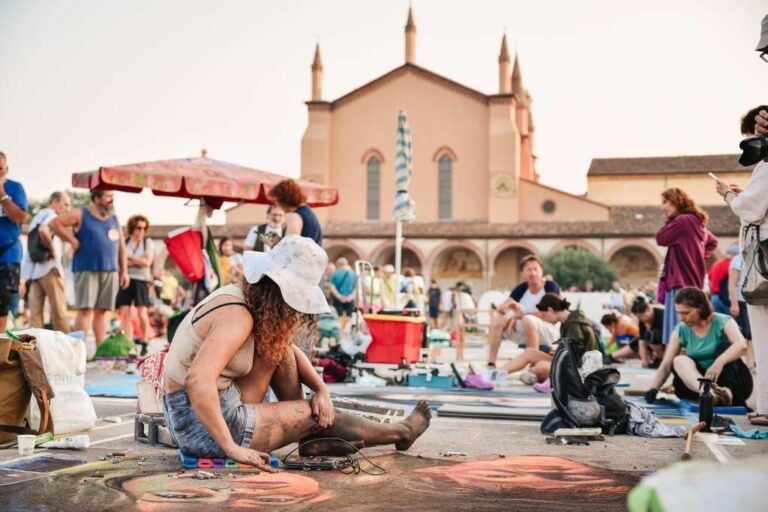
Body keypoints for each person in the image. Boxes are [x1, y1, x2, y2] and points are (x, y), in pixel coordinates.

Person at [161, 235, 431, 468]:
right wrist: (232, 448)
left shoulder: (244, 298)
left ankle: (312, 436)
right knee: (312, 414)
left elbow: (286, 351)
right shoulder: (237, 317)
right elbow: (198, 380)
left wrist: (321, 389)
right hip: (199, 427)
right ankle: (401, 431)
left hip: (205, 410)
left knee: (280, 350)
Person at [716, 104, 768, 425]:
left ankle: (764, 406)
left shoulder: (765, 164)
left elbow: (751, 210)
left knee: (762, 338)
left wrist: (728, 195)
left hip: (762, 263)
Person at [645, 287, 752, 407]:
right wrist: (653, 389)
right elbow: (666, 365)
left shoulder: (723, 321)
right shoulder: (681, 329)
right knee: (679, 360)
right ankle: (709, 394)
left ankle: (726, 394)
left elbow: (742, 345)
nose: (681, 318)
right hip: (697, 386)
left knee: (725, 347)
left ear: (701, 308)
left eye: (686, 313)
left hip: (732, 382)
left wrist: (718, 363)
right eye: (679, 313)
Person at [49, 189, 128, 344]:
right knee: (85, 310)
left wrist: (124, 270)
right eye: (108, 196)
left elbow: (121, 246)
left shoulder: (114, 218)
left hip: (110, 269)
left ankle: (100, 352)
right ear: (97, 199)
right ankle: (79, 351)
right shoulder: (81, 213)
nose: (111, 200)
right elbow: (54, 223)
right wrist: (72, 240)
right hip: (86, 268)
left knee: (102, 312)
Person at [655, 188, 718, 345]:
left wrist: (692, 254)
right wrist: (696, 254)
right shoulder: (696, 222)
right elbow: (713, 241)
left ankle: (678, 364)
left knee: (678, 331)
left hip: (680, 279)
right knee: (688, 327)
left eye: (665, 202)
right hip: (690, 280)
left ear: (677, 201)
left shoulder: (682, 221)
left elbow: (661, 238)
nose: (662, 207)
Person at [503, 294, 599, 390]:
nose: (544, 319)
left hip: (582, 371)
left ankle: (549, 381)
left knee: (541, 367)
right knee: (530, 352)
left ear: (550, 310)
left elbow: (574, 357)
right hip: (574, 365)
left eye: (544, 315)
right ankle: (496, 374)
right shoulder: (567, 322)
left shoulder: (575, 325)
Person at [486, 255, 561, 367]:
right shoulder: (521, 288)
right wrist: (508, 307)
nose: (533, 273)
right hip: (523, 331)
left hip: (548, 331)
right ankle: (491, 363)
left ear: (541, 271)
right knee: (498, 318)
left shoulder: (551, 287)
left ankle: (534, 365)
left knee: (527, 319)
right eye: (529, 270)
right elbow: (502, 308)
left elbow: (552, 314)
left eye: (535, 269)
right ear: (523, 274)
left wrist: (521, 314)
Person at [20, 191, 71, 332]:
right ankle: (67, 350)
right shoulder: (52, 216)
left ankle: (37, 352)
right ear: (54, 201)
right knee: (59, 313)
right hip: (50, 270)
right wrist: (52, 251)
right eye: (65, 204)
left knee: (35, 318)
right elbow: (43, 230)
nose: (67, 209)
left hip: (34, 272)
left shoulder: (38, 216)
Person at [115, 215, 154, 352]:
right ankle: (128, 342)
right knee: (125, 312)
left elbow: (147, 263)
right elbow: (120, 262)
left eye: (144, 228)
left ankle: (144, 340)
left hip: (142, 280)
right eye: (138, 228)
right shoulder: (125, 241)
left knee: (142, 313)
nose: (141, 231)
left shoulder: (147, 242)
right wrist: (138, 261)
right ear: (132, 228)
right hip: (126, 279)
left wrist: (129, 257)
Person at [0, 152, 28, 332]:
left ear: (6, 169)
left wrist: (3, 196)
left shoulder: (15, 188)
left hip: (7, 255)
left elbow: (20, 218)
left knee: (3, 302)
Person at [268, 179, 321, 245]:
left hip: (302, 255)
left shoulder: (294, 216)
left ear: (285, 199)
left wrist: (274, 244)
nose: (279, 206)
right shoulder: (308, 212)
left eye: (279, 201)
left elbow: (290, 246)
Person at [727, 252, 753, 368]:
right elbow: (732, 283)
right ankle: (744, 365)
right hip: (741, 301)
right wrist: (734, 303)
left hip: (752, 302)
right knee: (744, 335)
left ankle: (750, 364)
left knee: (751, 335)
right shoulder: (738, 259)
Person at [629, 297, 666, 368]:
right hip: (657, 346)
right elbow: (641, 341)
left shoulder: (662, 315)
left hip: (667, 345)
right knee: (637, 341)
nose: (639, 319)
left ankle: (663, 359)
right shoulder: (642, 321)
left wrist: (666, 359)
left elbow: (669, 339)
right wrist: (644, 359)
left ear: (648, 310)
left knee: (651, 335)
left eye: (640, 317)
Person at [707, 244, 739, 314]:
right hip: (725, 299)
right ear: (735, 255)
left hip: (714, 298)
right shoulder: (733, 265)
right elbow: (732, 283)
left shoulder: (716, 264)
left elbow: (710, 283)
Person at [329, 257, 357, 330]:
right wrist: (350, 297)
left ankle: (339, 333)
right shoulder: (353, 273)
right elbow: (356, 288)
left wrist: (340, 297)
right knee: (349, 317)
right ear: (346, 264)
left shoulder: (334, 273)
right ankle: (347, 332)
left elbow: (332, 287)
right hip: (350, 299)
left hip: (338, 299)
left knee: (339, 317)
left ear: (338, 264)